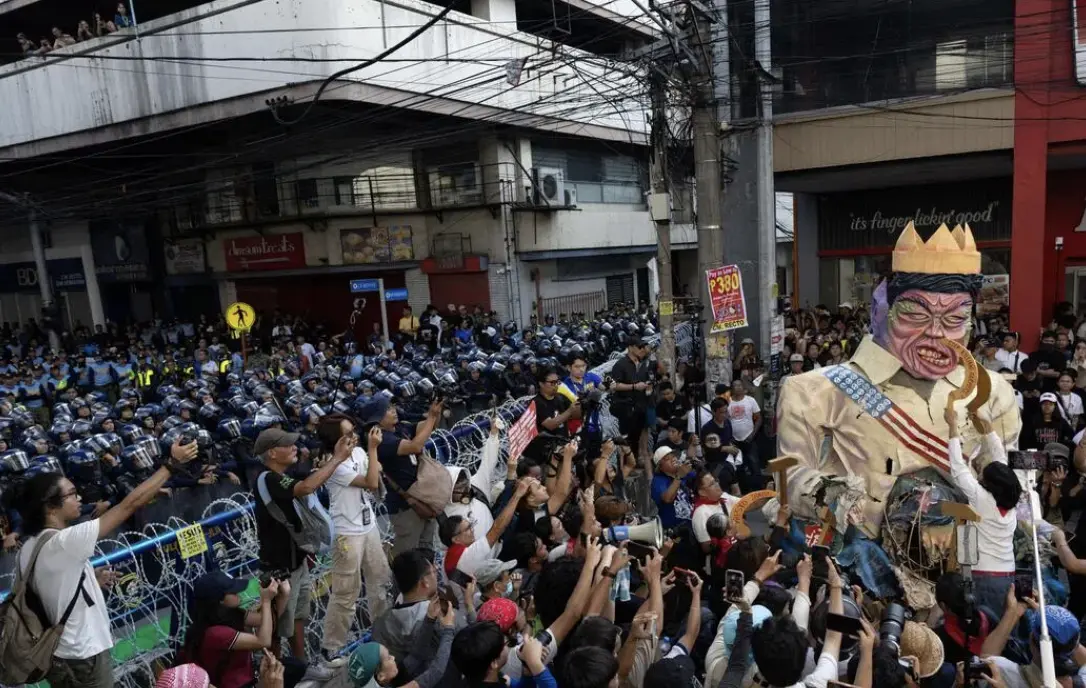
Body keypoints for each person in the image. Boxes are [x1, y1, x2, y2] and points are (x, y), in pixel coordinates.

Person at [5, 439, 198, 688]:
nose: (79, 498)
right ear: (50, 507)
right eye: (71, 494)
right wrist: (170, 466)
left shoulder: (29, 547)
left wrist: (89, 581)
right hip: (83, 654)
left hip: (59, 654)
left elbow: (50, 594)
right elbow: (129, 504)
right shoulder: (64, 542)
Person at [252, 426, 354, 661]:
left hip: (296, 563)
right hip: (279, 570)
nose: (294, 447)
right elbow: (306, 487)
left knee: (297, 618)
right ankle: (275, 673)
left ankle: (301, 666)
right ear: (272, 453)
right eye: (287, 445)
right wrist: (337, 458)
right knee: (276, 628)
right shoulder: (268, 478)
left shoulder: (281, 476)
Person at [320, 416, 391, 664]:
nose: (354, 437)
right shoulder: (333, 466)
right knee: (346, 592)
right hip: (346, 533)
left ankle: (383, 631)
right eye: (347, 434)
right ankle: (332, 647)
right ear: (335, 441)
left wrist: (370, 454)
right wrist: (373, 450)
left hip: (367, 525)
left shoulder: (359, 452)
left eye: (353, 431)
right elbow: (371, 482)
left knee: (380, 580)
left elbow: (377, 469)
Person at [945, 406, 1019, 615]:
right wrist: (987, 427)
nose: (979, 478)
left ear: (990, 485)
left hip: (982, 577)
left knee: (981, 627)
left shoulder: (983, 499)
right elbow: (1000, 460)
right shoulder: (1010, 499)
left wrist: (952, 426)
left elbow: (958, 469)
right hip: (1007, 576)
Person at [365, 395, 444, 556]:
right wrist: (432, 417)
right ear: (377, 418)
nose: (393, 411)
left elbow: (429, 426)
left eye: (392, 407)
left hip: (422, 496)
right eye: (387, 409)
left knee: (426, 549)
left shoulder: (401, 428)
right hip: (404, 506)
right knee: (408, 555)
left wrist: (436, 411)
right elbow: (415, 446)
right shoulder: (382, 440)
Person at [181, 570, 288, 688]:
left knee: (294, 667)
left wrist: (283, 596)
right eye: (233, 591)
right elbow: (264, 641)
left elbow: (264, 621)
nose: (238, 593)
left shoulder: (230, 614)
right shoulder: (215, 633)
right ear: (220, 600)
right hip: (236, 685)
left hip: (249, 677)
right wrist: (266, 601)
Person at [341, 599, 457, 688]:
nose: (393, 657)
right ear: (381, 676)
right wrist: (448, 630)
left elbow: (416, 656)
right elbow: (435, 673)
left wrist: (430, 618)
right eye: (388, 658)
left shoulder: (373, 680)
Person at [609, 336, 652, 454]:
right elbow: (614, 385)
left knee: (636, 439)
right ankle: (626, 462)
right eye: (639, 347)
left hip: (640, 406)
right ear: (630, 348)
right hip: (626, 407)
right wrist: (634, 386)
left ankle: (636, 460)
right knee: (626, 441)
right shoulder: (620, 364)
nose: (642, 349)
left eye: (642, 347)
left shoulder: (642, 363)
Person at [728, 379, 762, 491]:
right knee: (739, 467)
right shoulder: (728, 402)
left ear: (743, 388)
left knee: (754, 464)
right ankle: (744, 490)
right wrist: (730, 437)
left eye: (740, 385)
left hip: (749, 438)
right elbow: (725, 421)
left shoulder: (750, 400)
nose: (738, 387)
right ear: (732, 388)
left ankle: (758, 490)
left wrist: (752, 435)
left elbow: (758, 418)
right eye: (735, 385)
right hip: (734, 441)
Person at [650, 446, 694, 530]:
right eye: (667, 459)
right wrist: (679, 477)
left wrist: (694, 465)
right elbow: (667, 499)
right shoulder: (658, 481)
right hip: (675, 529)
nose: (673, 459)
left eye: (673, 456)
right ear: (660, 467)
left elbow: (702, 481)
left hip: (693, 524)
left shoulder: (685, 474)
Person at [533, 368, 578, 439]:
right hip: (550, 443)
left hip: (565, 440)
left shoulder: (560, 397)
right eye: (552, 382)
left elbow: (575, 415)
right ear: (541, 384)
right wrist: (570, 410)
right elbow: (550, 425)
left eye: (557, 382)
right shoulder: (536, 403)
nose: (556, 385)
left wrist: (581, 405)